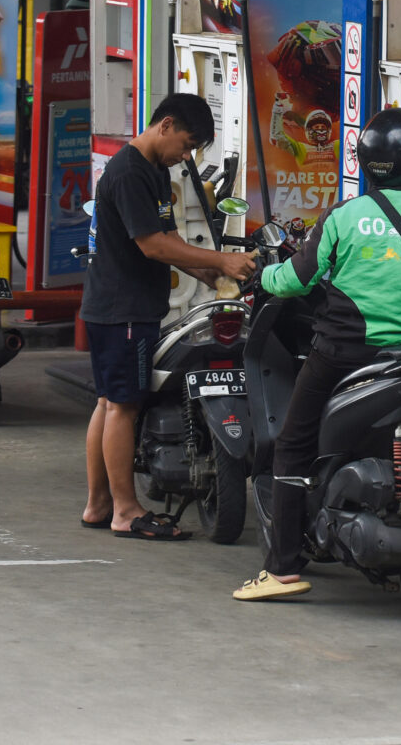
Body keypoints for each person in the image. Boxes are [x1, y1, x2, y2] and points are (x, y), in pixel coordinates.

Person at [232, 108, 401, 601]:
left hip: (340, 355)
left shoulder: (344, 217)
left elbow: (298, 278)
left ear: (368, 163)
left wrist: (261, 275)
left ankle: (282, 569)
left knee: (293, 444)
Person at [80, 93, 259, 540]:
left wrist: (211, 273)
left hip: (123, 306)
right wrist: (221, 260)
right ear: (166, 125)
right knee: (123, 407)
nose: (186, 156)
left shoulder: (155, 170)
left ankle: (99, 505)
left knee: (109, 403)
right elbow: (152, 246)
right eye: (186, 144)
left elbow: (170, 239)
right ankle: (125, 511)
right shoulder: (129, 173)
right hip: (122, 308)